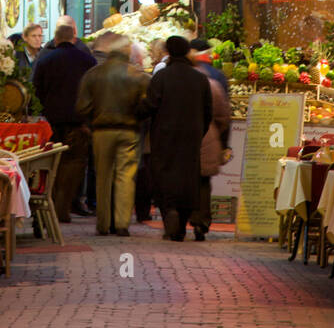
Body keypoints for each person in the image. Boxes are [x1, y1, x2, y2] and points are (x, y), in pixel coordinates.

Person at [76, 36, 148, 237]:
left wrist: (91, 120)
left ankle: (103, 224)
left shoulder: (93, 74)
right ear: (127, 52)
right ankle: (122, 223)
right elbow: (149, 103)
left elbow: (82, 107)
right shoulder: (138, 75)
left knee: (103, 177)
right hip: (129, 131)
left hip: (101, 132)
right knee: (126, 177)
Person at [144, 35, 212, 242]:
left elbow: (150, 106)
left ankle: (169, 213)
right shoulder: (200, 79)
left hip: (164, 136)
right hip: (191, 137)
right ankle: (182, 222)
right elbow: (208, 111)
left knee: (164, 177)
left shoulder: (161, 77)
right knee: (188, 178)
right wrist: (198, 132)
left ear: (168, 52)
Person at [32, 19, 96, 221]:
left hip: (51, 124)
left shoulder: (45, 60)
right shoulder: (88, 61)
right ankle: (65, 206)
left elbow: (36, 91)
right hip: (79, 123)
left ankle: (50, 205)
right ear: (74, 38)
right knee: (75, 164)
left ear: (56, 39)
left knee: (52, 164)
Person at [190, 63, 232, 240]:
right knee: (203, 182)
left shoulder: (180, 85)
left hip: (180, 140)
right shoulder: (214, 86)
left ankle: (178, 220)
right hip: (208, 137)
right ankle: (202, 222)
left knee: (181, 180)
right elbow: (224, 117)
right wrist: (220, 140)